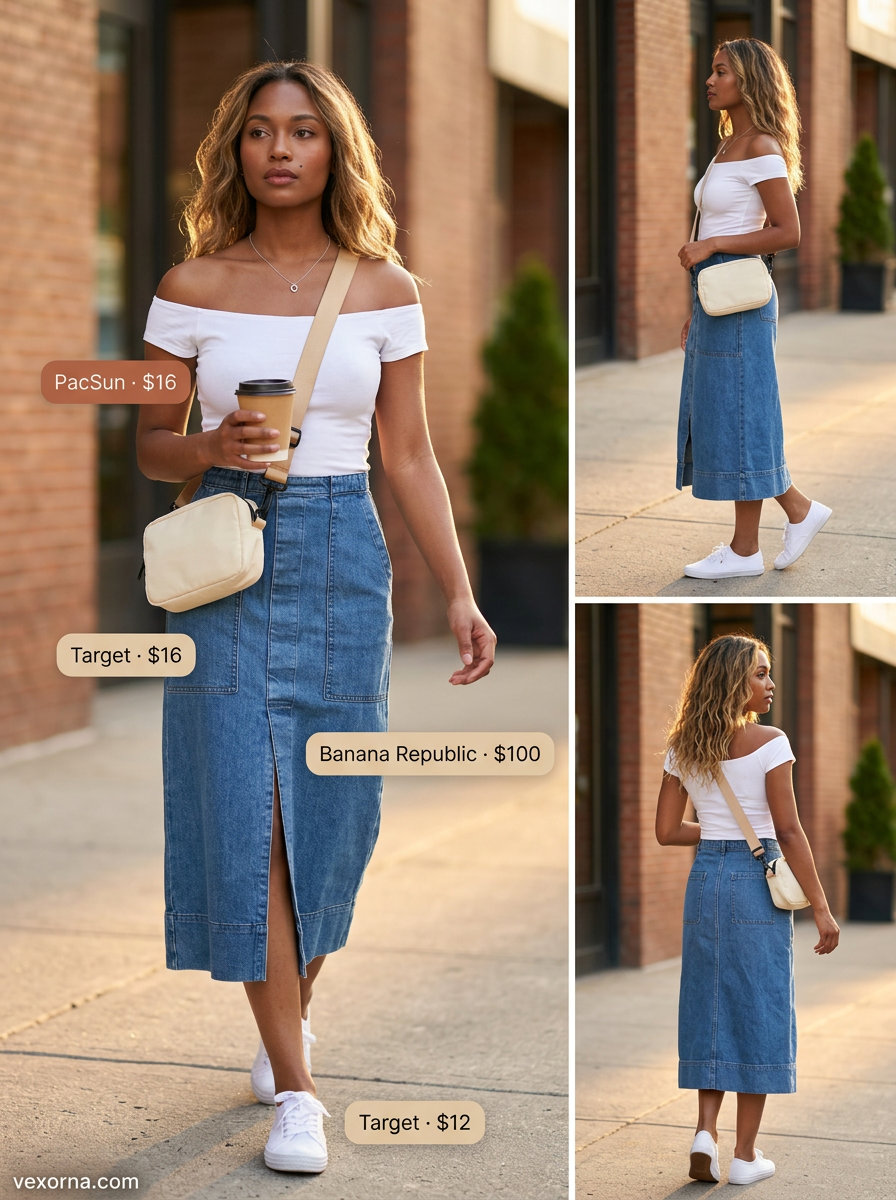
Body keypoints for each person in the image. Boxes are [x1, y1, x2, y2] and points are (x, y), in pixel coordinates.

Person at [136, 60, 496, 1175]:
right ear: (234, 151)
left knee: (332, 819)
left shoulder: (385, 290)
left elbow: (409, 454)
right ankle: (298, 1087)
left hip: (345, 554)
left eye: (301, 132)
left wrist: (459, 587)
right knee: (245, 819)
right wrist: (207, 449)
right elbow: (148, 451)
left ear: (334, 151)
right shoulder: (189, 283)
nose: (278, 150)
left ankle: (281, 1015)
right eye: (257, 132)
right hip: (227, 558)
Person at [655, 634, 840, 1185]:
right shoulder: (771, 741)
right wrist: (823, 909)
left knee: (710, 1002)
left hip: (705, 879)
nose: (770, 683)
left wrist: (715, 832)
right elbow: (787, 827)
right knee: (758, 1004)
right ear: (736, 679)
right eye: (761, 673)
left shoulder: (682, 746)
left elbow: (665, 832)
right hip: (756, 883)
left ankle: (704, 1133)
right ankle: (744, 1156)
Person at [676, 38, 831, 580]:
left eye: (721, 72)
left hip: (740, 298)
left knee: (741, 414)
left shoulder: (760, 145)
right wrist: (693, 307)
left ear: (748, 81)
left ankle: (756, 542)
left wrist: (712, 248)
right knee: (729, 415)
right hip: (715, 298)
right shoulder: (729, 144)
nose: (710, 80)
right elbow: (711, 226)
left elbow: (787, 232)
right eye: (712, 71)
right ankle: (786, 518)